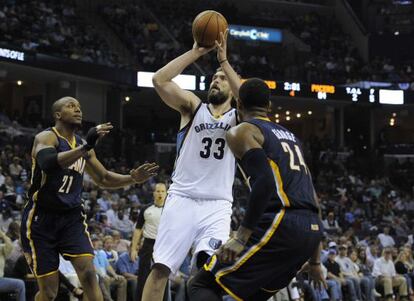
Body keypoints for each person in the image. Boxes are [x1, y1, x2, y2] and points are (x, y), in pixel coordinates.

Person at [188, 78, 324, 301]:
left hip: (281, 224)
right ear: (269, 107)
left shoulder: (242, 132)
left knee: (202, 283)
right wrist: (316, 261)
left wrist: (241, 237)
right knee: (251, 296)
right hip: (310, 232)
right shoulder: (292, 138)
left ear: (238, 105)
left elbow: (265, 183)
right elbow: (314, 202)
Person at [20, 96, 159, 301]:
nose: (78, 109)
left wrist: (132, 178)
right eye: (71, 106)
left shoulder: (83, 146)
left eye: (79, 106)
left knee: (88, 273)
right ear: (58, 114)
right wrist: (85, 148)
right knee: (49, 292)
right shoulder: (47, 137)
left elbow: (103, 177)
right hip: (41, 219)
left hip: (71, 218)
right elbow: (48, 163)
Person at [142, 31, 241, 301]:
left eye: (222, 79)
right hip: (182, 198)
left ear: (232, 86)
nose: (216, 80)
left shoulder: (240, 118)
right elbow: (159, 80)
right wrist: (196, 52)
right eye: (213, 78)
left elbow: (248, 98)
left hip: (217, 204)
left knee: (208, 271)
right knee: (160, 268)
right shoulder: (193, 107)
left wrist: (224, 62)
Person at [130, 183, 167, 300]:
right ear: (154, 193)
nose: (160, 193)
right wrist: (133, 249)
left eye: (162, 191)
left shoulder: (171, 209)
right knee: (143, 275)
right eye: (158, 191)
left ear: (166, 193)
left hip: (163, 245)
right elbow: (138, 229)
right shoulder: (146, 209)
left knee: (162, 276)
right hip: (148, 244)